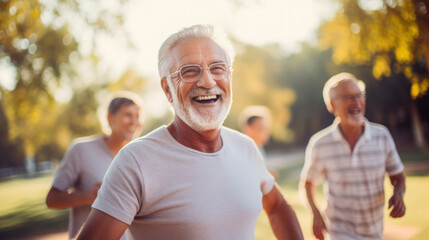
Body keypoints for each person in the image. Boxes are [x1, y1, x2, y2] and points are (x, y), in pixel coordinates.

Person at [76, 24, 303, 240]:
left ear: (229, 78)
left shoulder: (245, 147)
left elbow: (277, 206)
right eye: (189, 71)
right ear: (167, 89)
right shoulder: (136, 161)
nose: (207, 81)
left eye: (217, 68)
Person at [300, 72, 406, 240]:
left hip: (375, 231)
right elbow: (308, 183)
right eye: (349, 97)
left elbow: (398, 176)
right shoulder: (320, 143)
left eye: (359, 96)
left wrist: (399, 193)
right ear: (332, 105)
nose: (357, 102)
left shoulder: (382, 136)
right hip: (338, 231)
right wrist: (315, 213)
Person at [45, 91, 144, 240]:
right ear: (110, 118)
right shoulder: (81, 150)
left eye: (137, 117)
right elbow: (52, 199)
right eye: (128, 115)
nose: (134, 122)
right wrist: (88, 196)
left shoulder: (138, 157)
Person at [239, 105, 278, 179]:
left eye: (267, 128)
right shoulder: (243, 152)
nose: (266, 132)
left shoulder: (259, 148)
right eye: (261, 128)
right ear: (247, 129)